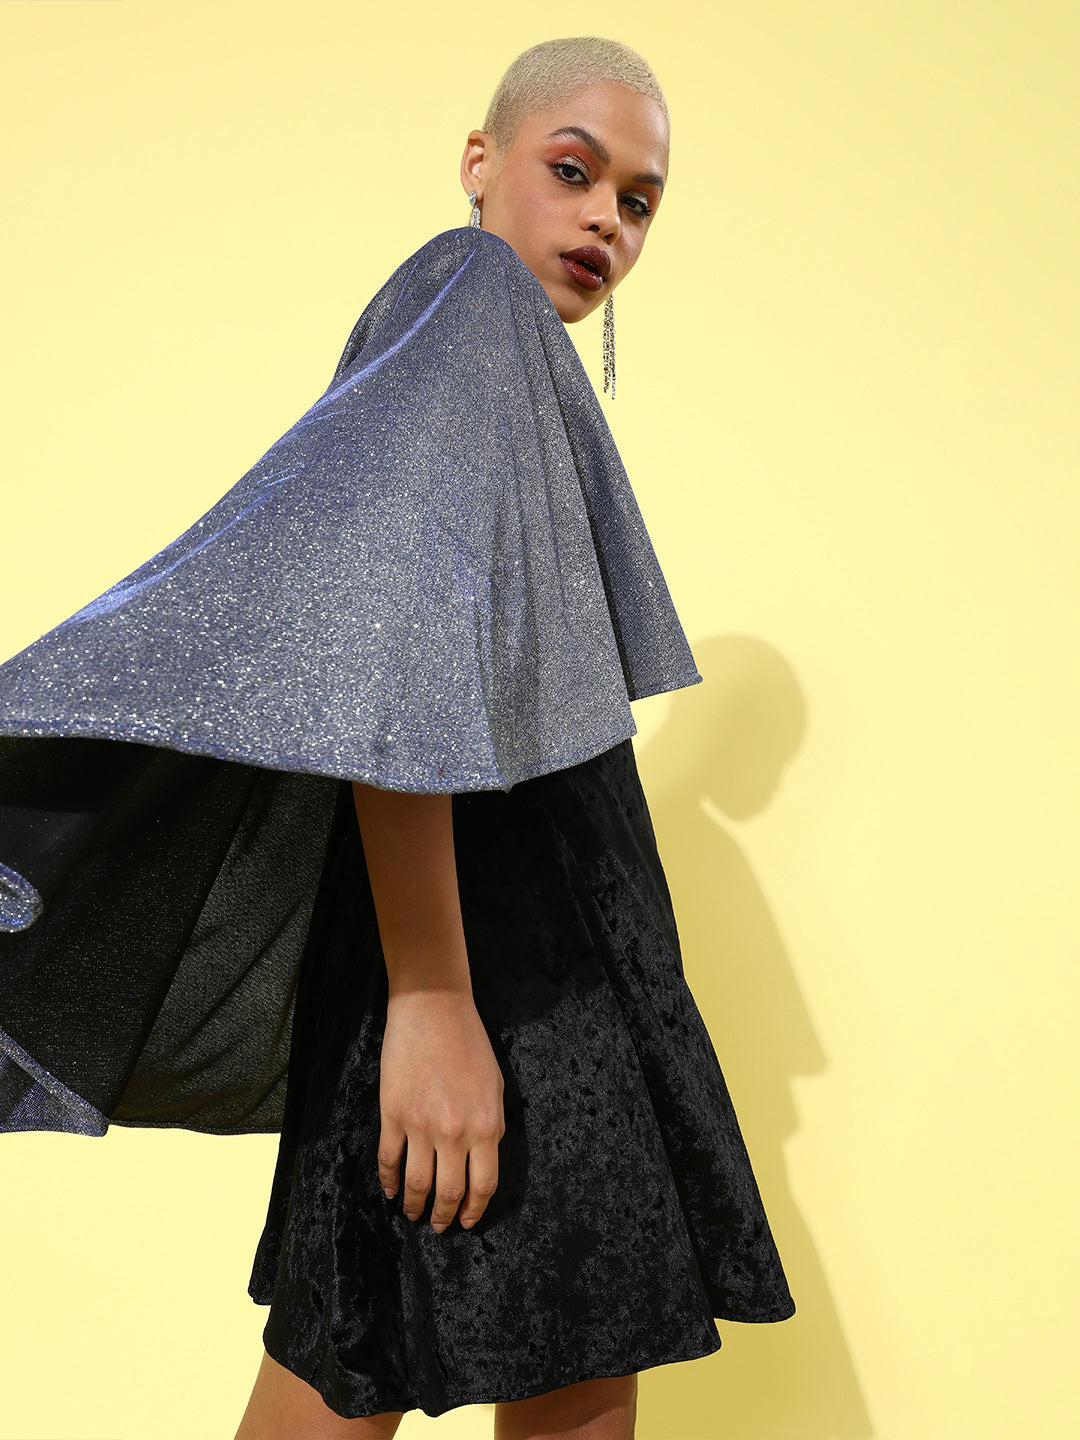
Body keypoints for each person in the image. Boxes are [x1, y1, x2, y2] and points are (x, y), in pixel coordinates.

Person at [0, 35, 795, 1440]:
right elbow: (390, 651)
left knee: (485, 1350)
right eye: (572, 170)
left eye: (639, 200)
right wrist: (432, 1000)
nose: (607, 220)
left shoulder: (475, 344)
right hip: (492, 958)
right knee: (468, 1363)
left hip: (518, 951)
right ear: (480, 163)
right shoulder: (471, 293)